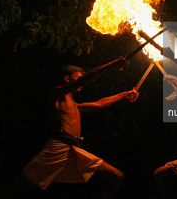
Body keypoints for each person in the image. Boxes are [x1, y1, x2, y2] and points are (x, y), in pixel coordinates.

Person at [21, 57, 139, 199]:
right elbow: (84, 80)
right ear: (67, 78)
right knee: (23, 184)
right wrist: (111, 65)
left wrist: (123, 95)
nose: (81, 83)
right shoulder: (56, 94)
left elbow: (99, 104)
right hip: (60, 146)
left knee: (116, 177)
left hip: (76, 150)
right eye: (78, 78)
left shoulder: (75, 105)